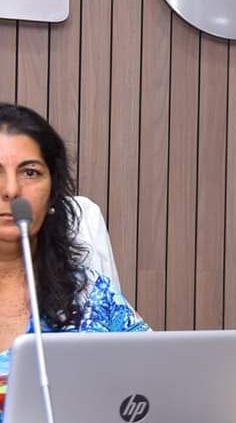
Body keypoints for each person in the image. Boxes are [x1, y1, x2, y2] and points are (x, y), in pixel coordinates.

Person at [0, 103, 149, 418]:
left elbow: (161, 383)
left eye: (30, 172)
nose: (12, 190)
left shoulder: (88, 294)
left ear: (53, 192)